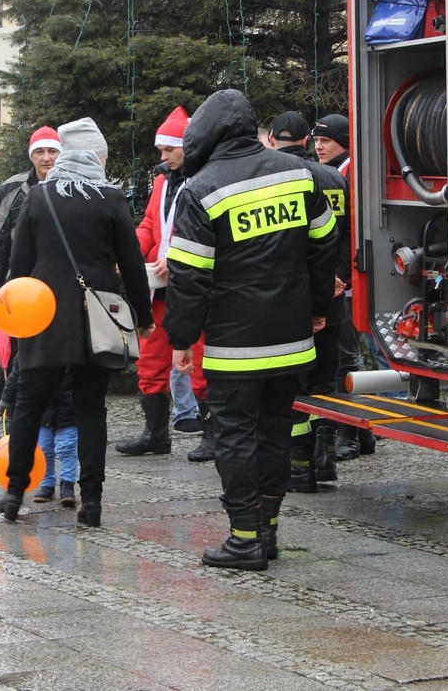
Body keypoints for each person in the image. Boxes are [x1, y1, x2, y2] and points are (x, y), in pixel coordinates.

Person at [165, 90, 337, 570]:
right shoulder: (299, 174)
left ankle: (244, 538)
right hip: (292, 336)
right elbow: (325, 243)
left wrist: (181, 339)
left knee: (235, 435)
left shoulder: (201, 190)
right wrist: (318, 305)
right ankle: (269, 529)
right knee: (275, 432)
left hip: (234, 344)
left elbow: (188, 275)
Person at [0, 117, 154, 527]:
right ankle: (93, 502)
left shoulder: (40, 197)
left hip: (43, 313)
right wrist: (142, 314)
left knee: (29, 403)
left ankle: (15, 494)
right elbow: (133, 264)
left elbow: (19, 265)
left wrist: (17, 315)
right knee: (90, 408)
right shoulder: (111, 199)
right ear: (95, 156)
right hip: (95, 317)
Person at [116, 107, 210, 459]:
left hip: (194, 287)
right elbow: (150, 225)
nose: (163, 156)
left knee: (200, 361)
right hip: (159, 286)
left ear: (187, 147)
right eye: (160, 150)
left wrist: (179, 256)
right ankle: (155, 435)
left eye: (169, 149)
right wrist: (132, 252)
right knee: (150, 361)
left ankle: (212, 434)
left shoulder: (204, 180)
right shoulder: (161, 182)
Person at [268, 111, 351, 491]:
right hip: (332, 297)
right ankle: (327, 458)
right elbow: (343, 238)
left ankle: (300, 469)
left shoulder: (275, 178)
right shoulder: (334, 178)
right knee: (325, 380)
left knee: (295, 386)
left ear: (271, 139)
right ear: (306, 141)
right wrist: (337, 282)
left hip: (292, 300)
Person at [0, 126, 61, 427]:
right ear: (31, 156)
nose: (46, 158)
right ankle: (10, 419)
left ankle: (51, 420)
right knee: (14, 359)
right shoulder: (12, 190)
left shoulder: (65, 187)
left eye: (52, 151)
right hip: (17, 293)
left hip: (55, 290)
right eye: (40, 152)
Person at [313, 112, 379, 459]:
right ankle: (360, 435)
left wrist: (341, 276)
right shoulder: (339, 171)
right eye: (317, 140)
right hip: (344, 280)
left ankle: (349, 434)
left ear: (343, 140)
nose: (319, 146)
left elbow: (347, 230)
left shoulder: (348, 172)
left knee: (344, 359)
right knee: (346, 357)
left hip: (346, 283)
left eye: (326, 140)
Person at [32, 391, 78, 509]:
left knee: (66, 448)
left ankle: (67, 485)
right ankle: (47, 485)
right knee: (44, 450)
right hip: (44, 410)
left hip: (70, 410)